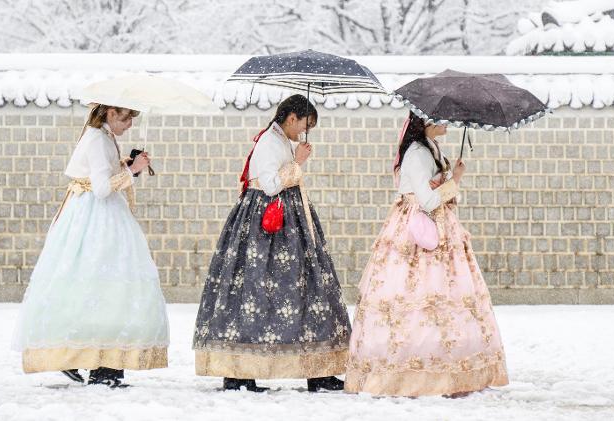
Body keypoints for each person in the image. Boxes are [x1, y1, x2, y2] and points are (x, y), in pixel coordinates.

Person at [193, 94, 350, 392]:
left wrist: (295, 161)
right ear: (291, 118)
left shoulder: (279, 141)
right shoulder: (269, 141)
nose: (304, 132)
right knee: (255, 291)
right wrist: (298, 163)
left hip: (289, 222)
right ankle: (239, 371)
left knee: (308, 289)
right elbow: (270, 185)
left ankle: (319, 368)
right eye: (304, 125)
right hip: (267, 225)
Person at [344, 112, 508, 397]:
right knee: (414, 296)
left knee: (443, 297)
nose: (448, 124)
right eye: (442, 120)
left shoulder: (432, 148)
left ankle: (445, 365)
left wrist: (450, 179)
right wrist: (453, 181)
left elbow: (436, 192)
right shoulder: (417, 153)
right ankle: (409, 369)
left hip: (436, 224)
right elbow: (428, 200)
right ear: (425, 123)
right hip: (417, 230)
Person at [12, 104, 170, 388]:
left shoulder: (103, 136)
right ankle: (93, 363)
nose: (130, 124)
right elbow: (100, 188)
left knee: (101, 286)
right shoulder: (97, 138)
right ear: (110, 114)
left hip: (98, 215)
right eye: (125, 118)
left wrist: (125, 163)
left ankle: (94, 361)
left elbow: (102, 173)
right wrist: (133, 170)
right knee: (102, 284)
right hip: (97, 219)